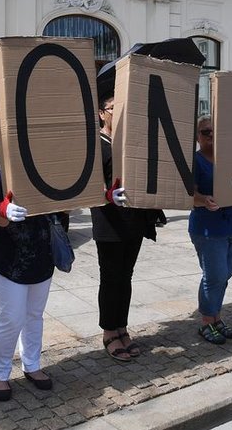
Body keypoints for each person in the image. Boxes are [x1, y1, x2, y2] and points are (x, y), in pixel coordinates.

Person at [0, 169, 57, 400]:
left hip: (41, 256)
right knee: (11, 319)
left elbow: (66, 205)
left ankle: (32, 364)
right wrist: (2, 209)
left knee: (34, 315)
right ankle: (0, 373)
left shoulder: (46, 174)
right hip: (9, 262)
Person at [92, 96, 156, 361]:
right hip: (108, 221)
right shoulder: (97, 144)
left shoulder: (130, 141)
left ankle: (122, 327)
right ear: (101, 113)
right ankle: (109, 331)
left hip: (133, 220)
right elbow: (84, 184)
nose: (117, 112)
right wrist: (107, 194)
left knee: (126, 276)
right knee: (110, 277)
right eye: (112, 108)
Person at [189, 115, 232, 343]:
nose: (211, 135)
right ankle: (206, 321)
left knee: (225, 275)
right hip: (209, 228)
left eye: (215, 131)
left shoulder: (230, 158)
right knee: (214, 276)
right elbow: (190, 195)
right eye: (205, 132)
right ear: (197, 137)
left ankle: (216, 317)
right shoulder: (195, 161)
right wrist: (204, 199)